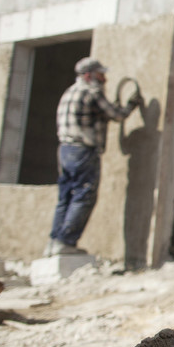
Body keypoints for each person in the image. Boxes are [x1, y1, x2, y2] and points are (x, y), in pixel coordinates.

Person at [46, 57, 142, 256]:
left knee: (65, 197)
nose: (104, 79)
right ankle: (66, 241)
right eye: (100, 75)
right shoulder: (92, 92)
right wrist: (132, 104)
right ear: (89, 75)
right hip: (83, 151)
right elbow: (117, 114)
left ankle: (54, 242)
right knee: (84, 195)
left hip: (65, 150)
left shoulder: (69, 92)